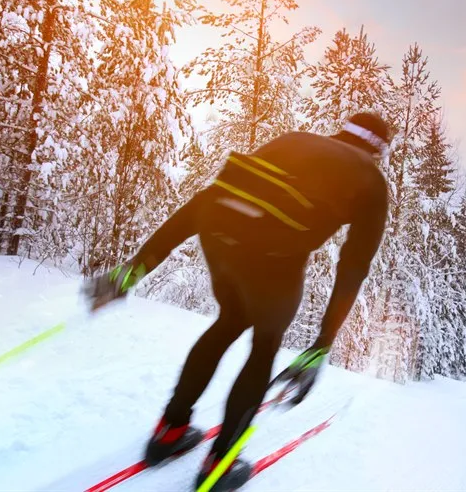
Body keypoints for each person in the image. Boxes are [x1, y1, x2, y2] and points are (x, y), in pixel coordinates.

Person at [82, 112, 391, 492]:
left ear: (341, 130)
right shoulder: (372, 181)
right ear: (379, 150)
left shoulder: (294, 139)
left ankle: (169, 432)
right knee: (264, 346)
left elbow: (213, 197)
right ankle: (221, 463)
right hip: (276, 259)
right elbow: (353, 267)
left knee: (228, 322)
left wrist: (133, 271)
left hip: (218, 232)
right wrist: (321, 344)